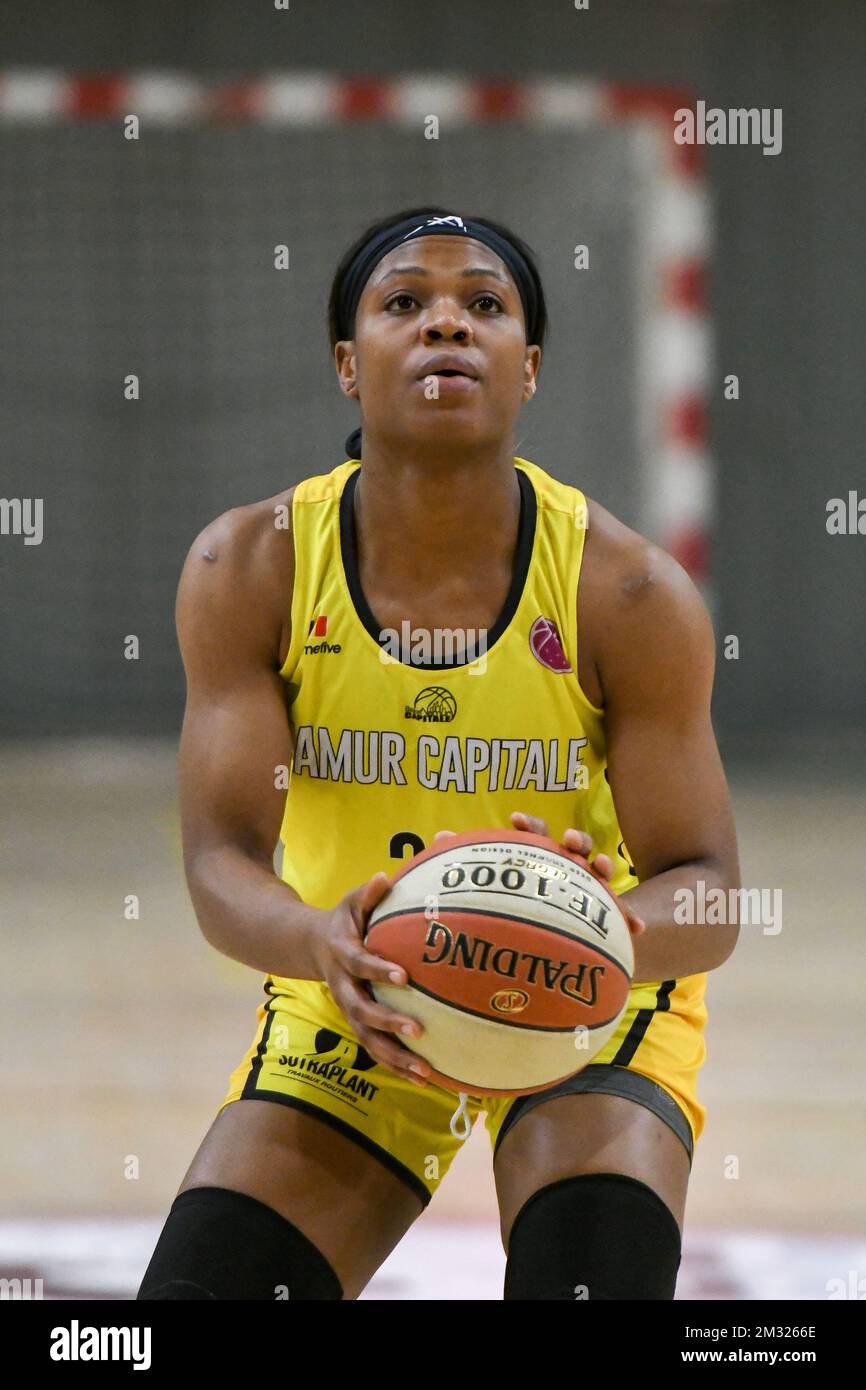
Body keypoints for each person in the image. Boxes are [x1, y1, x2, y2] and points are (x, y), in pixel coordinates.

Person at [136, 206, 740, 1302]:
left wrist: (595, 927)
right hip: (354, 987)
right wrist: (325, 942)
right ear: (344, 362)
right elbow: (217, 864)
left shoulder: (628, 591)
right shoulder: (250, 565)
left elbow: (708, 897)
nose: (446, 326)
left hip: (586, 1000)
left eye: (484, 306)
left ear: (530, 368)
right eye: (404, 302)